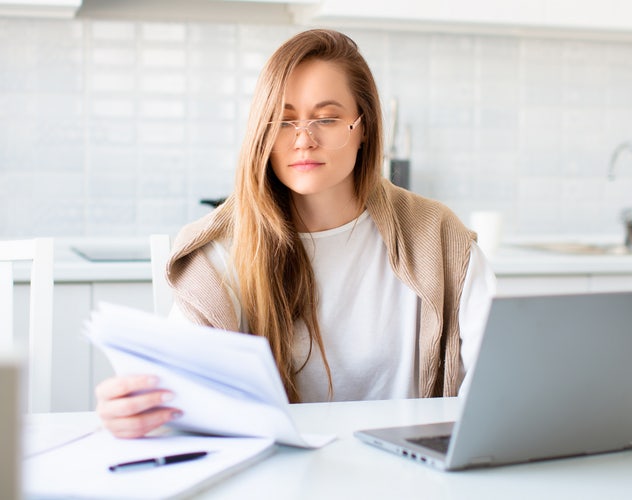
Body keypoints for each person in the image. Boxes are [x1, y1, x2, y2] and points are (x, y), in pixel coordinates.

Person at [95, 28, 497, 439]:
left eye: (326, 118)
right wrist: (134, 408)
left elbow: (500, 376)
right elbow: (177, 390)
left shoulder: (438, 238)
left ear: (365, 128)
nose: (304, 139)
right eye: (283, 121)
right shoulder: (220, 252)